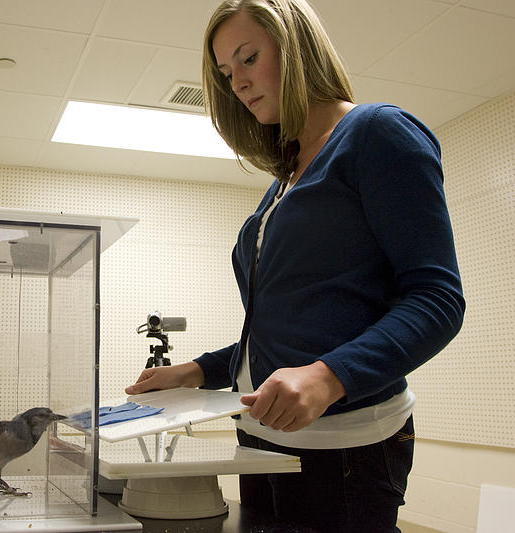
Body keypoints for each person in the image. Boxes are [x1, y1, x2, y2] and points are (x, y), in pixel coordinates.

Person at [125, 1, 465, 531]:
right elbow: (290, 325)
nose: (237, 81)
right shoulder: (283, 182)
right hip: (261, 433)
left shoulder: (378, 133)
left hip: (346, 447)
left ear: (297, 46)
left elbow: (437, 299)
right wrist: (200, 371)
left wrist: (330, 377)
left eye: (248, 57)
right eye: (226, 72)